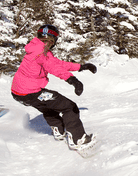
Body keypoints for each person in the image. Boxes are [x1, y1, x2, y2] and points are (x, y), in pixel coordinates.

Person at [11, 24, 98, 153]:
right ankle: (78, 139)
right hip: (31, 92)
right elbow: (53, 67)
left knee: (48, 107)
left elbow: (58, 63)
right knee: (69, 106)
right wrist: (72, 80)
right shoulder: (41, 52)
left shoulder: (36, 48)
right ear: (53, 40)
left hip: (19, 93)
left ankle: (59, 130)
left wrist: (81, 67)